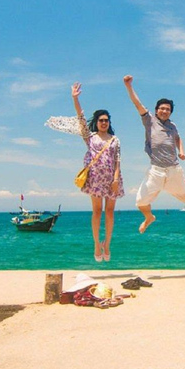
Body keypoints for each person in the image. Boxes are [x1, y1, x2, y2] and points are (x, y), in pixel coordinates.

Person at [124, 74, 185, 233]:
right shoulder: (149, 120)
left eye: (168, 109)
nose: (165, 111)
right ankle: (149, 217)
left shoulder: (172, 125)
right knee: (141, 202)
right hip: (156, 170)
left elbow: (178, 139)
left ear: (171, 112)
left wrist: (182, 151)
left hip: (174, 169)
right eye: (162, 108)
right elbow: (137, 103)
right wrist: (129, 86)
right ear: (156, 110)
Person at [72, 82, 124, 262]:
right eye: (101, 120)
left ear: (109, 123)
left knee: (109, 212)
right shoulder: (90, 137)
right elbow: (80, 118)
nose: (103, 123)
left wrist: (116, 179)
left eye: (106, 120)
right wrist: (75, 98)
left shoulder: (115, 139)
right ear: (97, 122)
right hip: (95, 178)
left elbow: (118, 160)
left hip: (112, 178)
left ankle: (107, 244)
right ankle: (96, 244)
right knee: (97, 212)